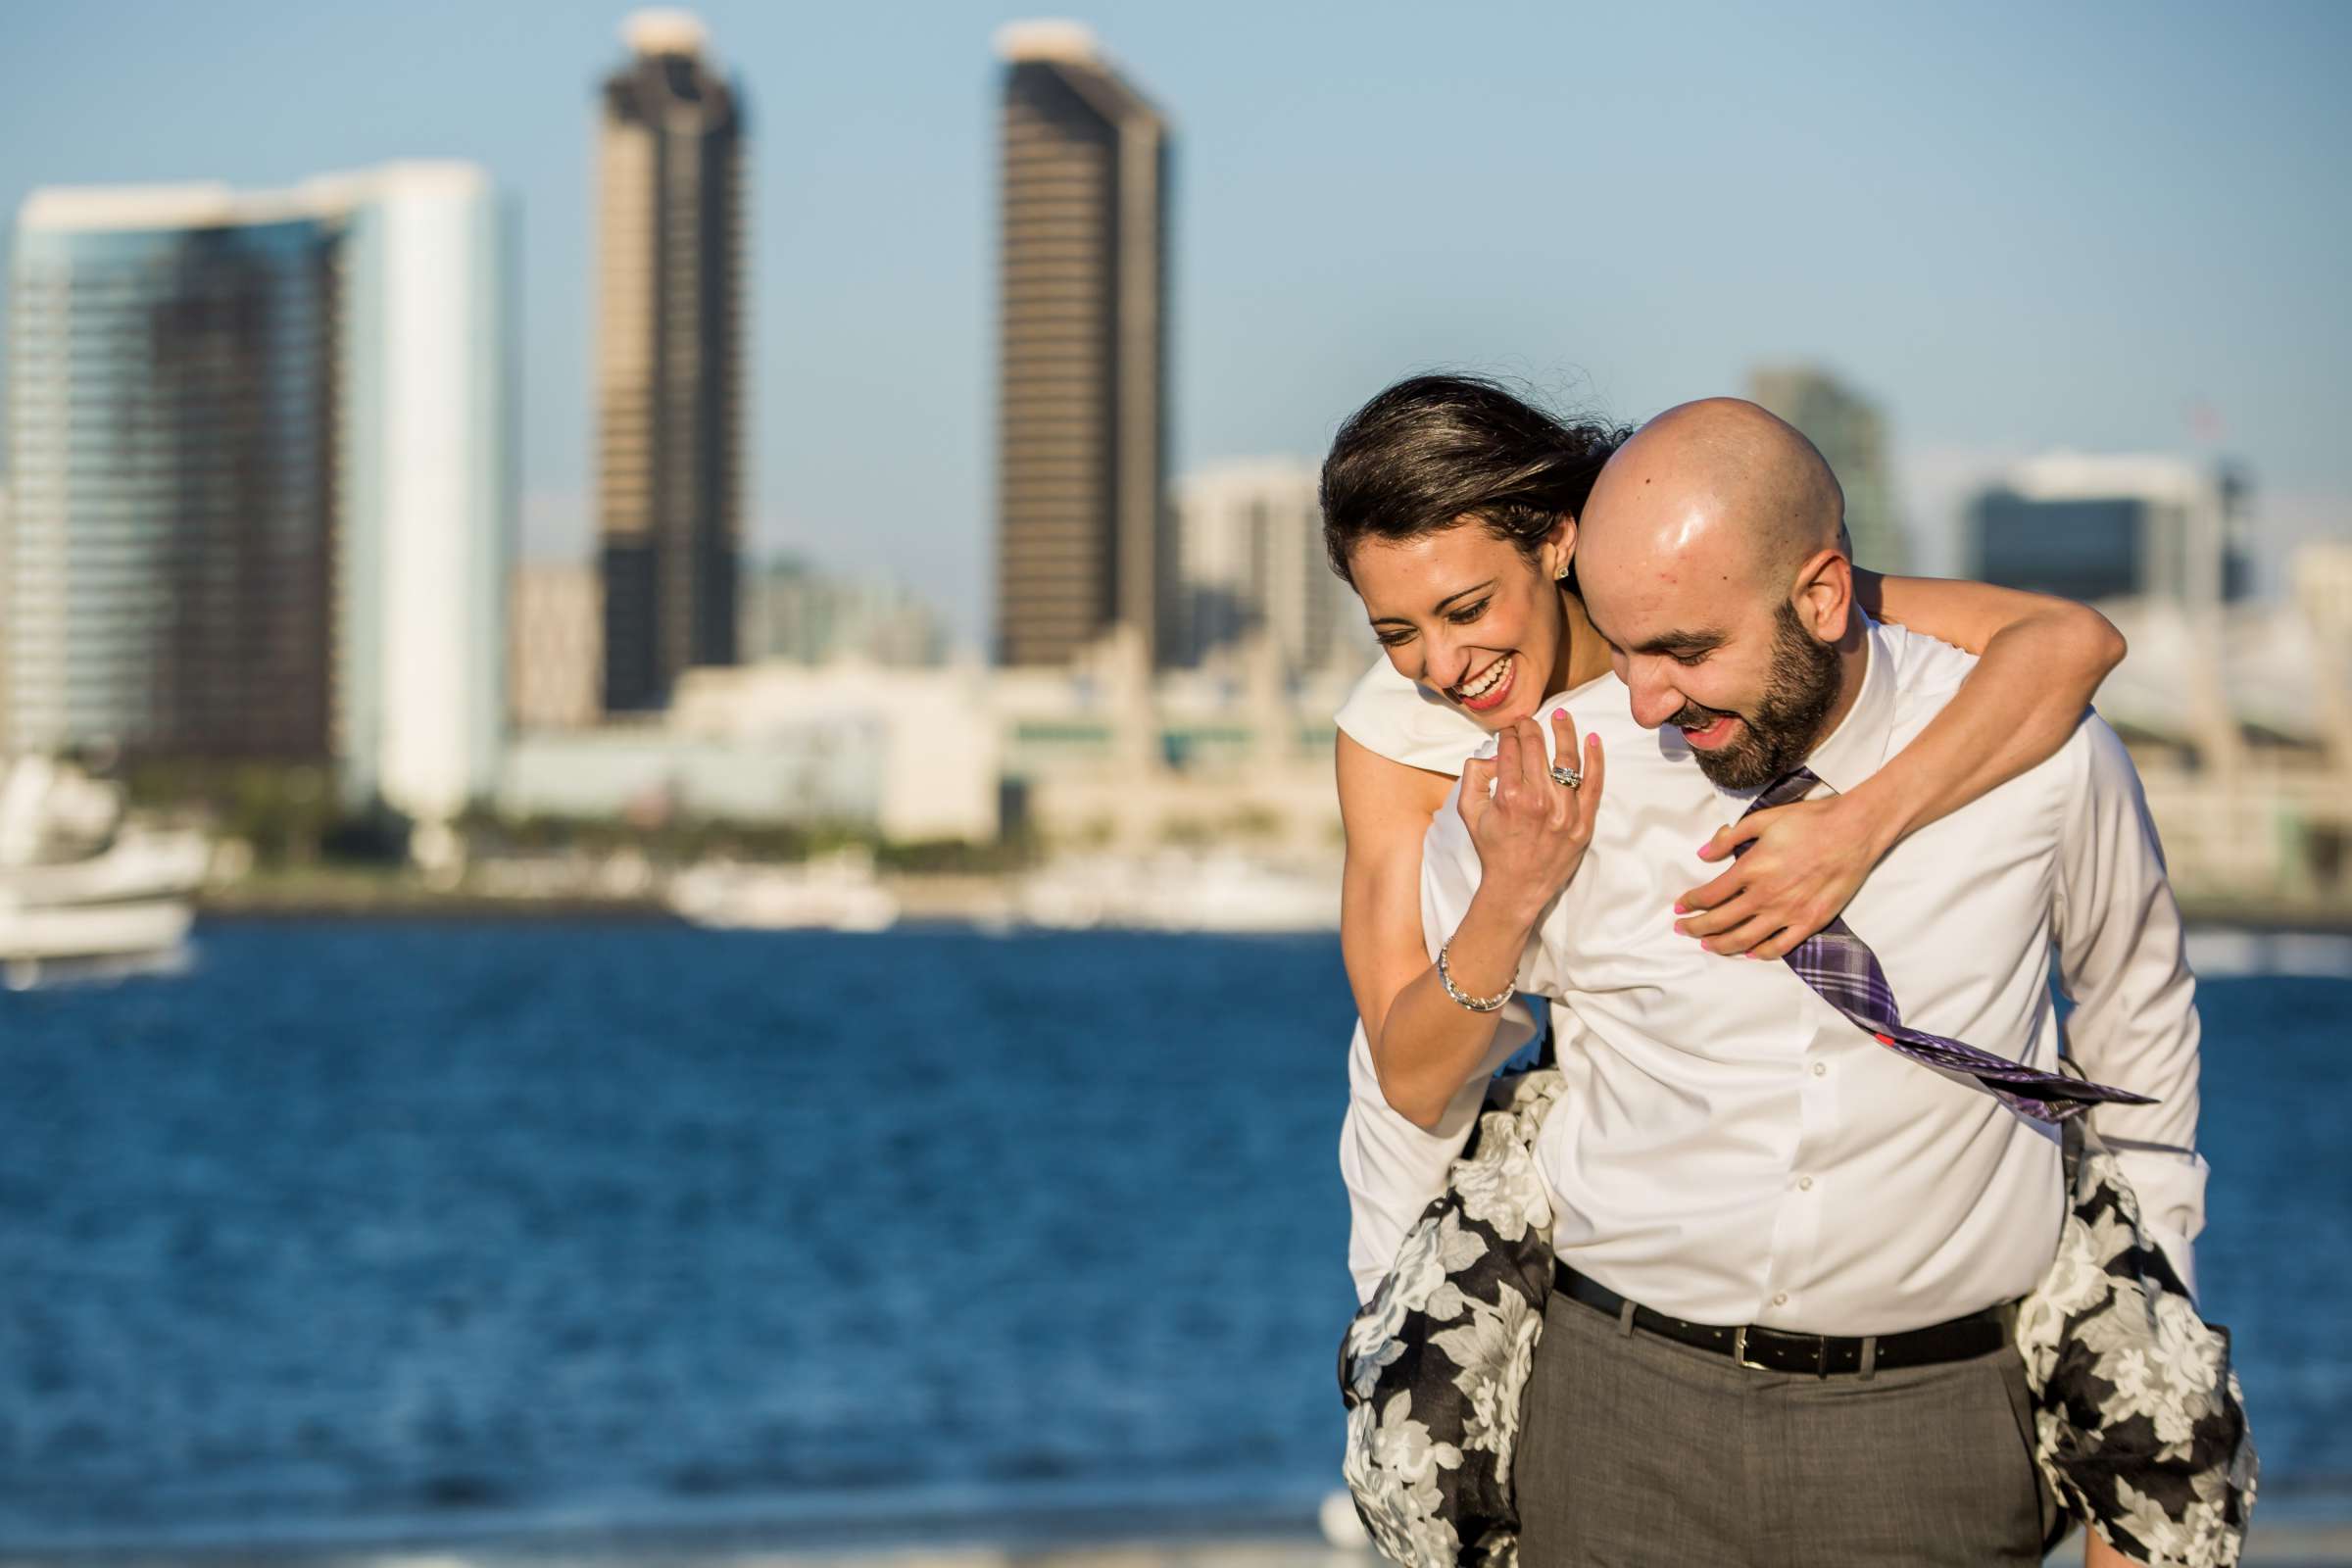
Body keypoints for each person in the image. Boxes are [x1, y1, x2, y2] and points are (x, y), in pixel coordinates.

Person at [1347, 393, 2204, 1565]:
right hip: (1613, 1418)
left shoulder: (2037, 757)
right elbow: (1406, 1086)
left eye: (1687, 651)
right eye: (1401, 634)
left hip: (1935, 1431)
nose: (1648, 698)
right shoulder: (1523, 791)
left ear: (1819, 595)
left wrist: (2153, 1376)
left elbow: (2139, 1026)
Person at [1326, 375, 2127, 1299]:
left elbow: (2068, 640)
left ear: (1558, 541)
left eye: (1466, 610)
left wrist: (1858, 826)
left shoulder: (1697, 592)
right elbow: (1408, 1078)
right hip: (1424, 1176)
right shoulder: (1395, 728)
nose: (1442, 666)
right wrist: (1511, 891)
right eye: (1397, 631)